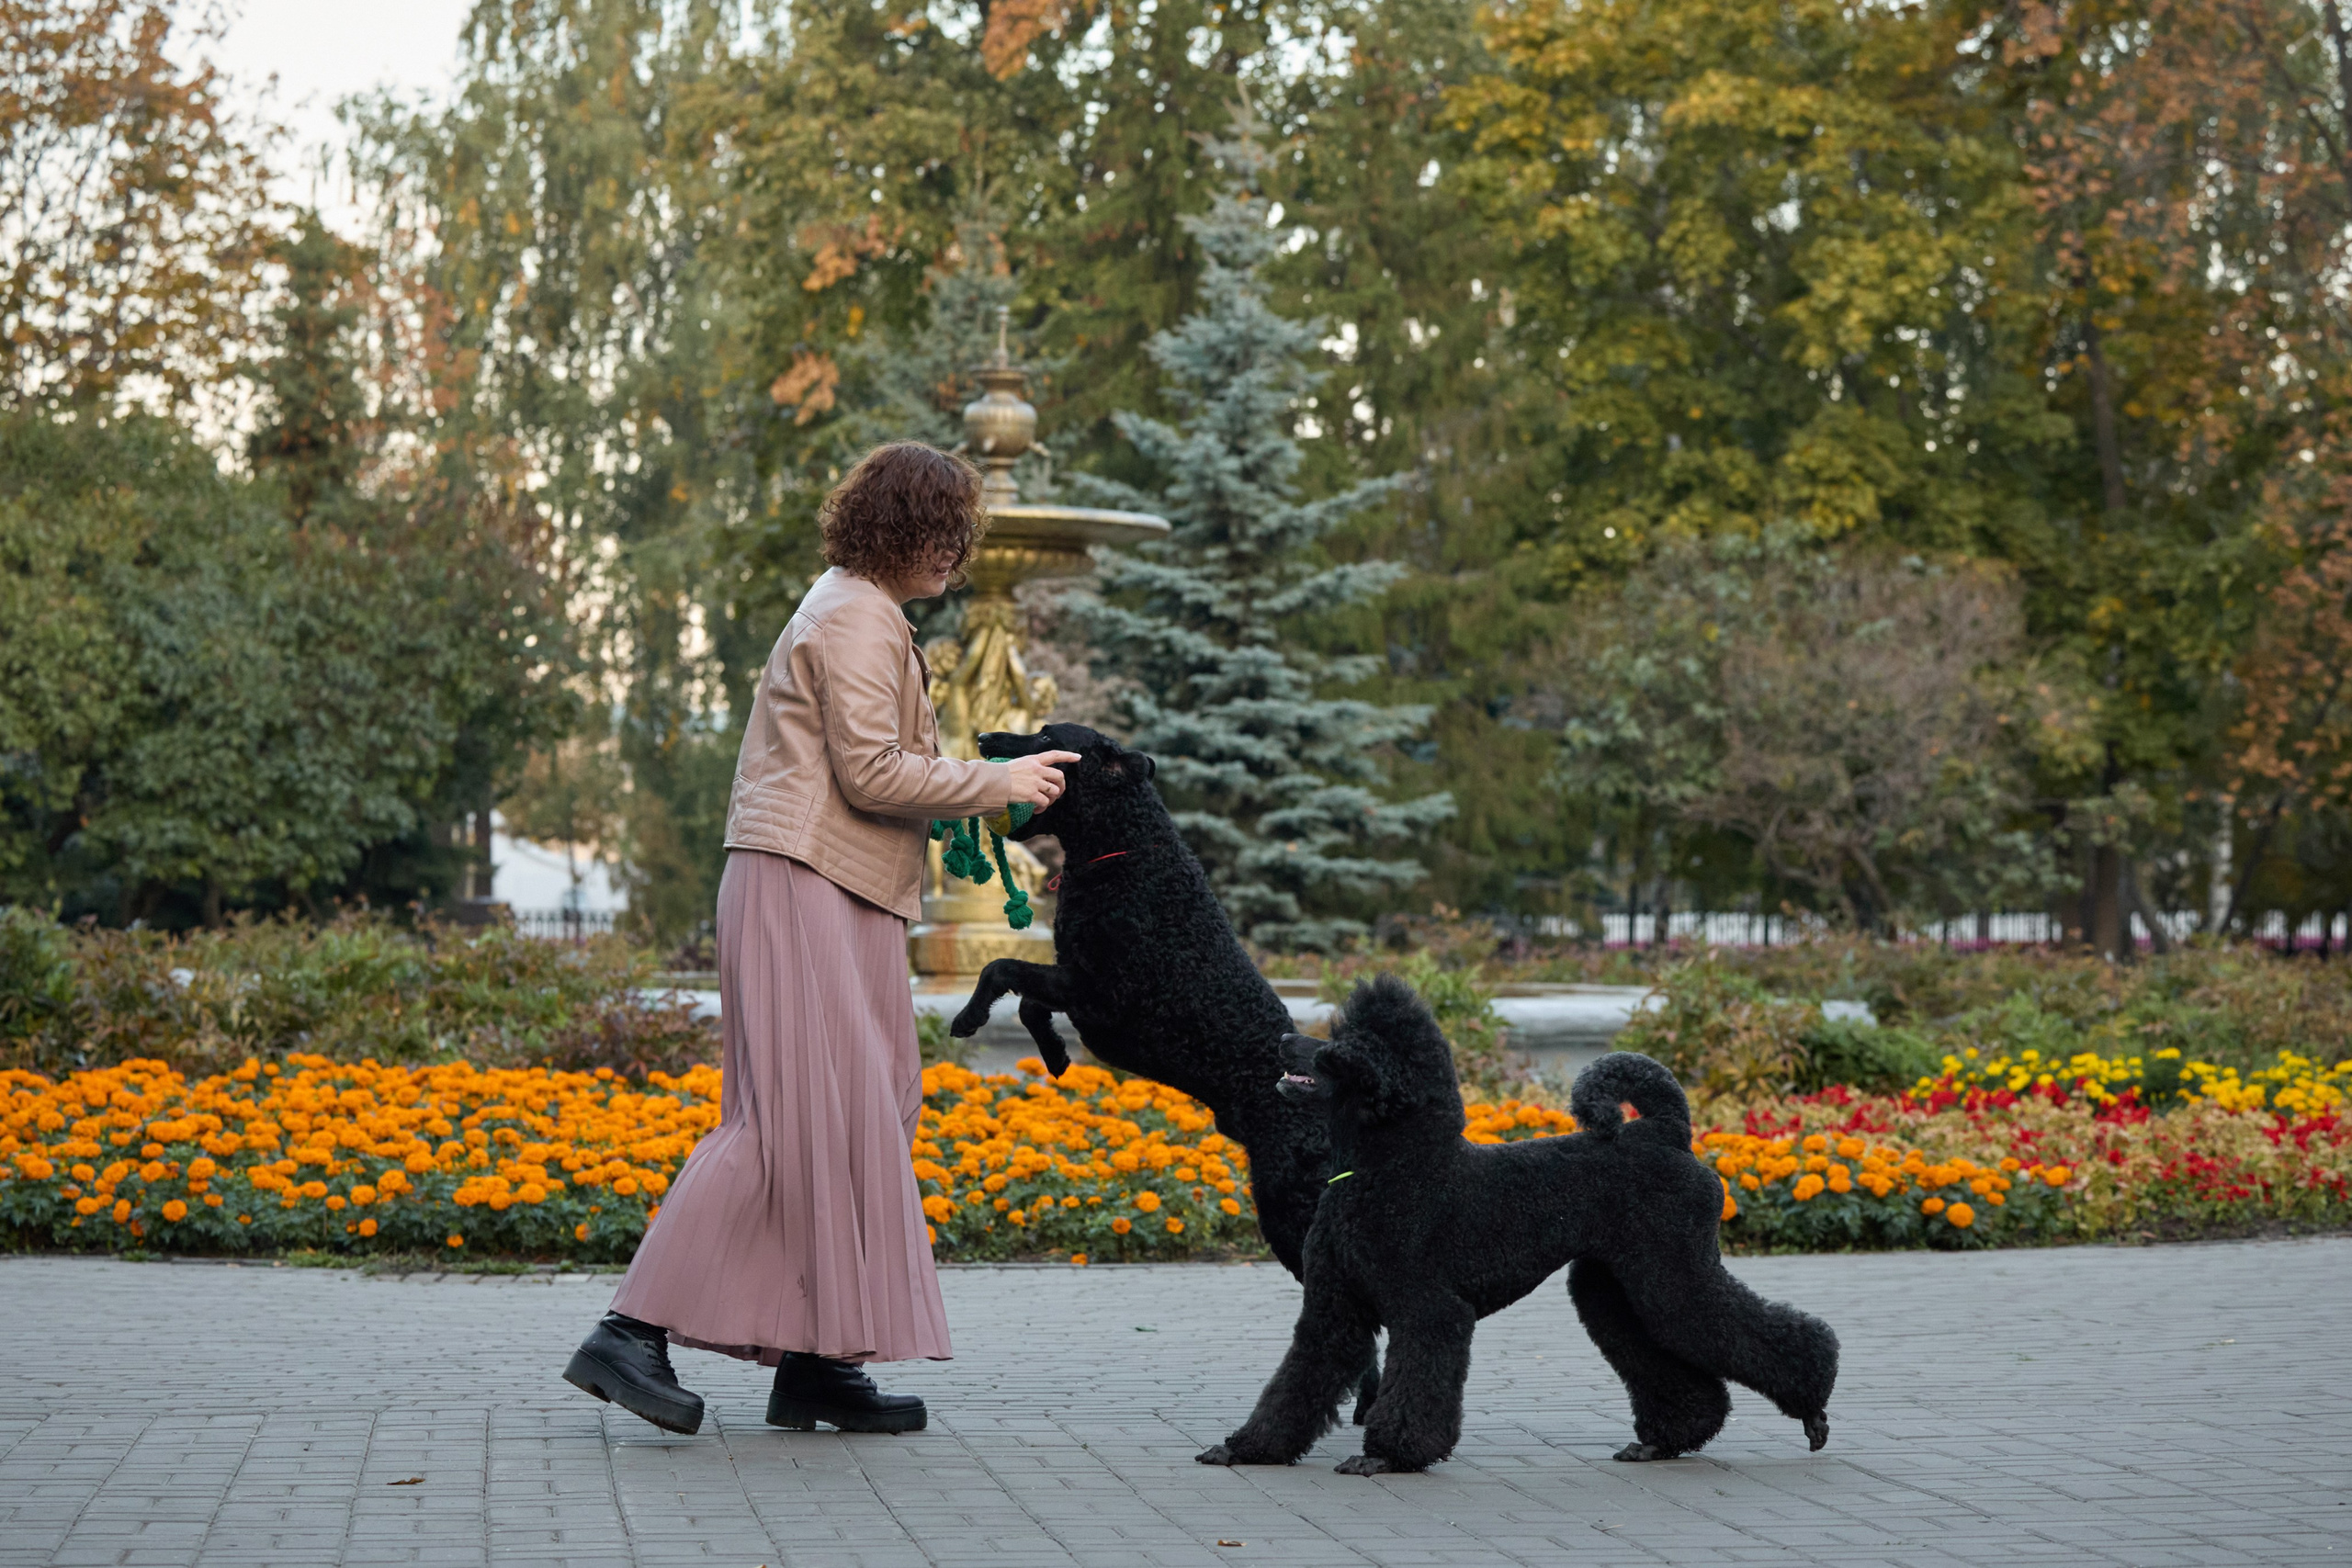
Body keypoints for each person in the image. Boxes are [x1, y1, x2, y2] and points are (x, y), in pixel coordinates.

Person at [562, 442, 1079, 1437]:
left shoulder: (864, 612)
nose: (954, 557)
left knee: (864, 1113)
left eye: (960, 538)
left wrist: (995, 814)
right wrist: (1000, 782)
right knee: (784, 1125)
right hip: (801, 883)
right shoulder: (851, 615)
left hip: (837, 887)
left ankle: (818, 1362)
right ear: (893, 528)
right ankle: (629, 1331)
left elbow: (888, 773)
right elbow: (873, 774)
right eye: (939, 534)